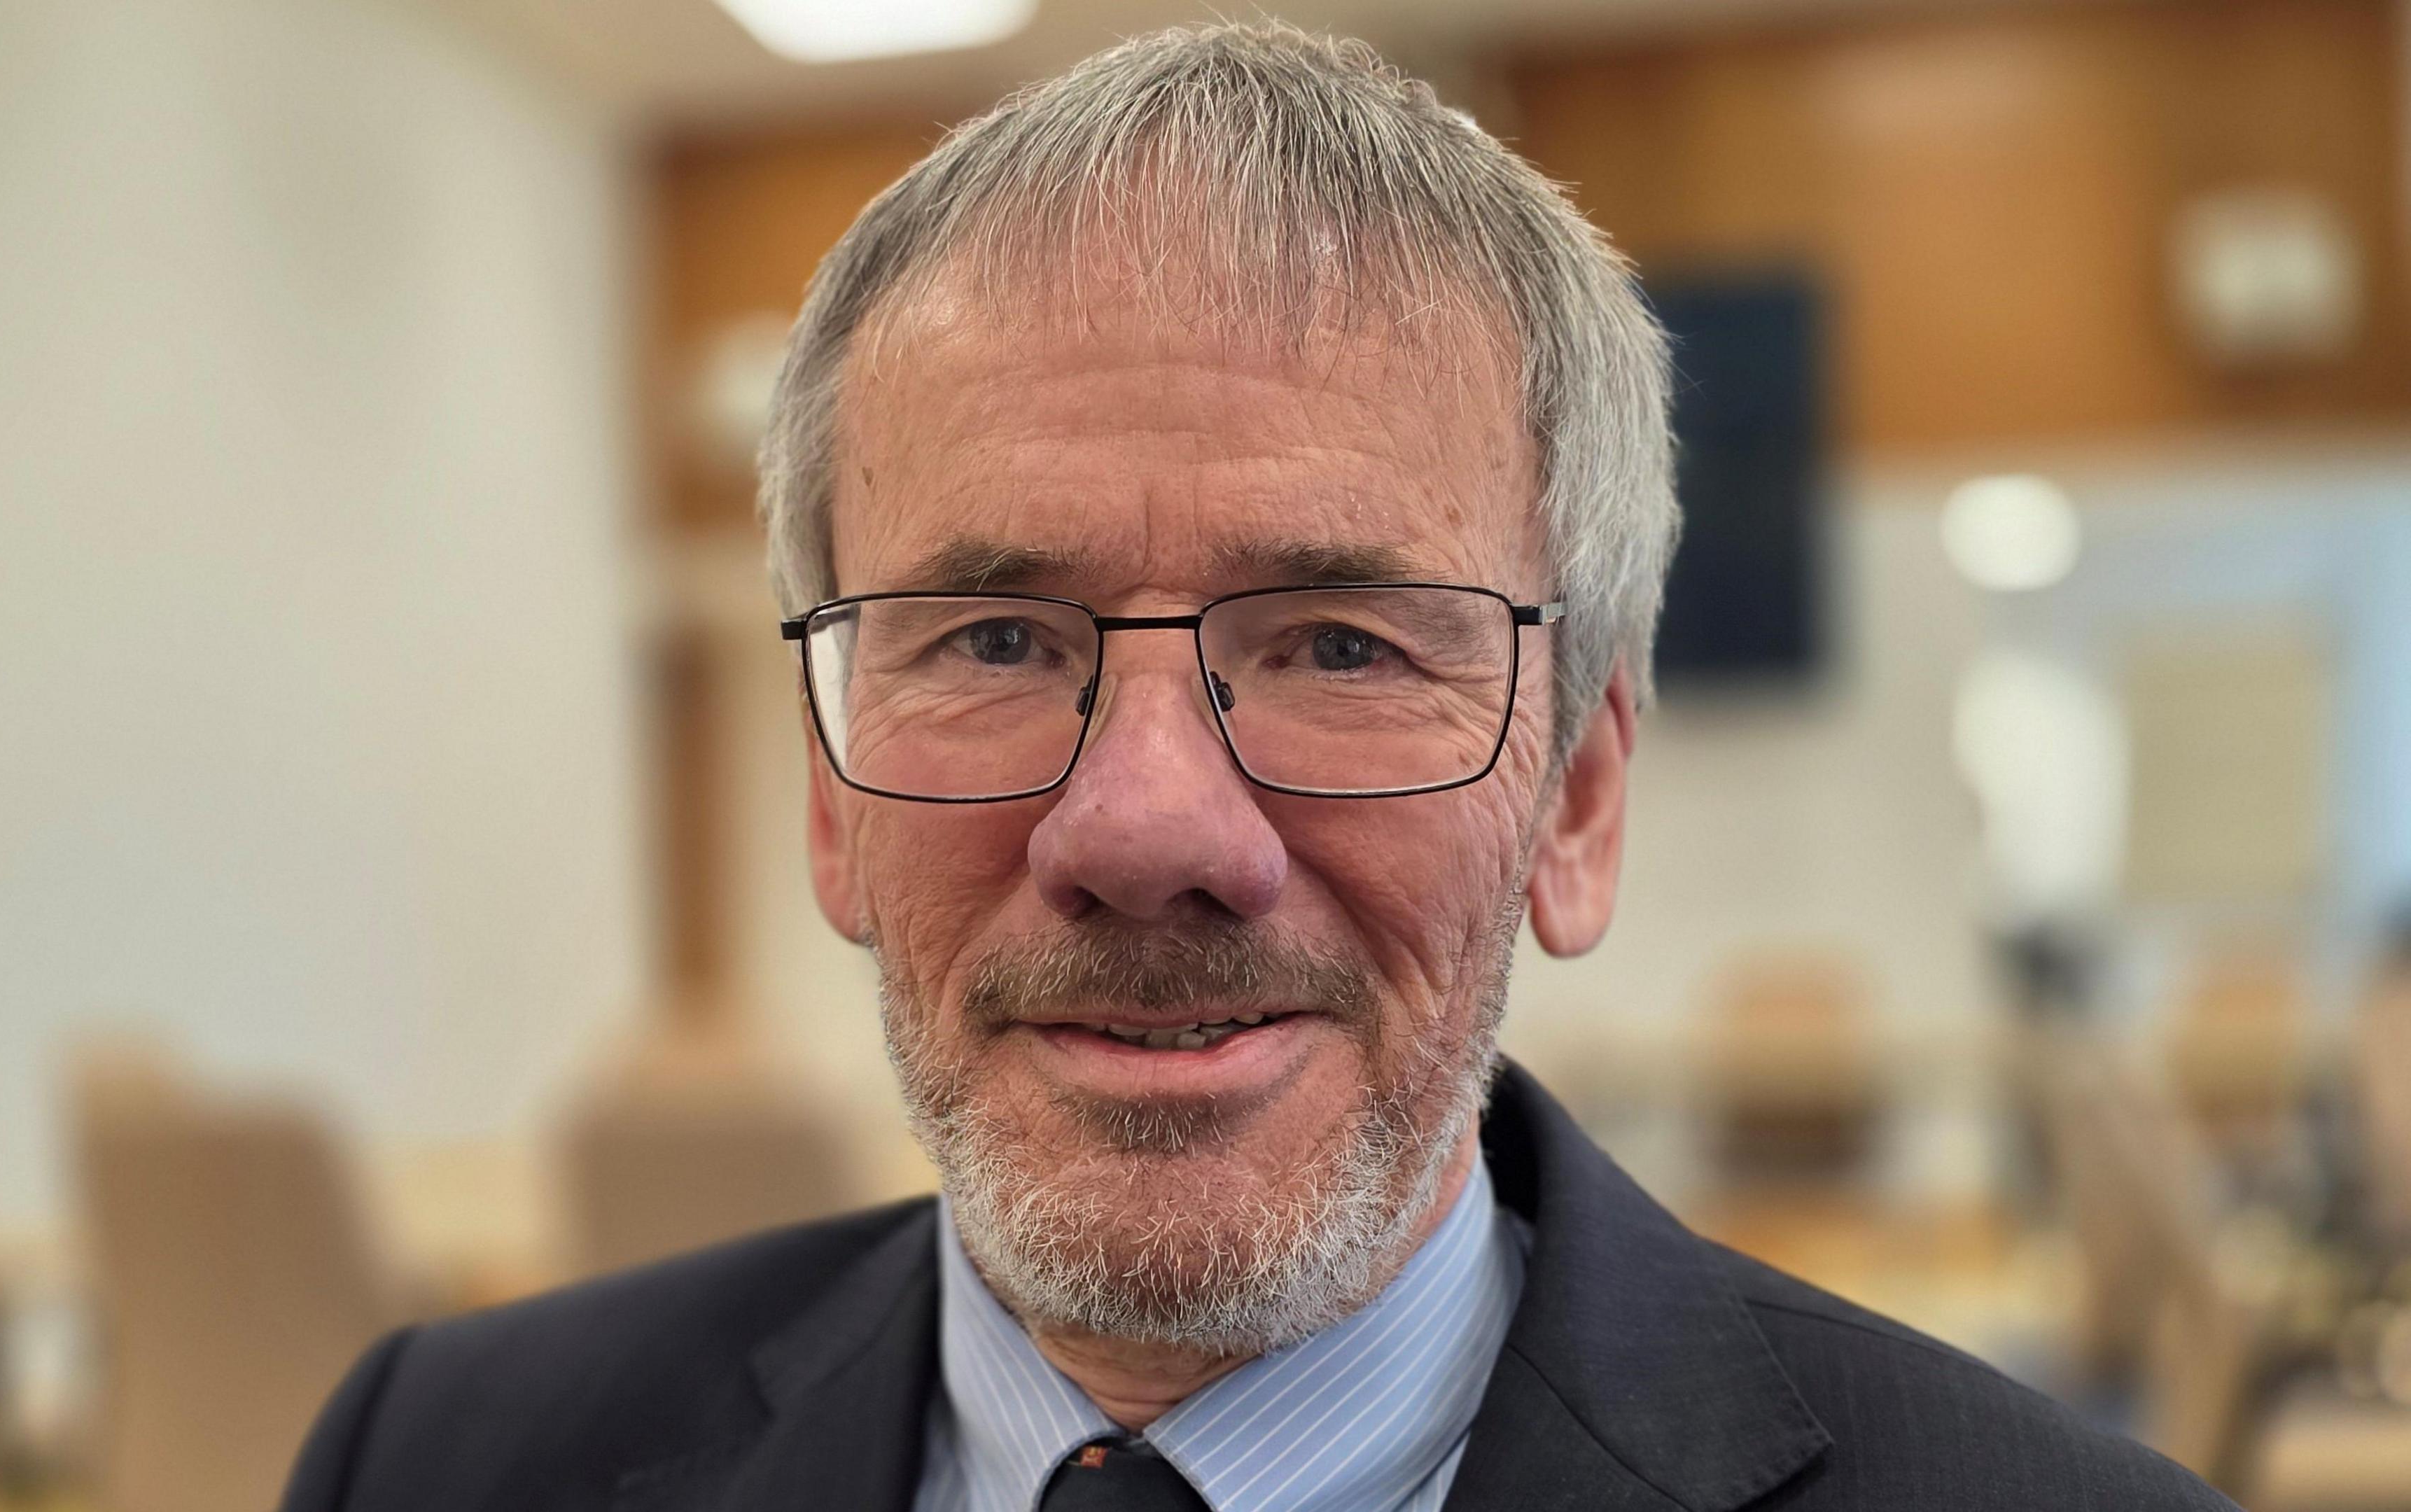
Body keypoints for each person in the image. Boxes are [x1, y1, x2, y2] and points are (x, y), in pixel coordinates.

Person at [283, 23, 2235, 1511]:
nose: (1144, 827)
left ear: (1574, 797)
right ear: (830, 791)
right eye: (990, 641)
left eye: (1337, 645)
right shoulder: (444, 1463)